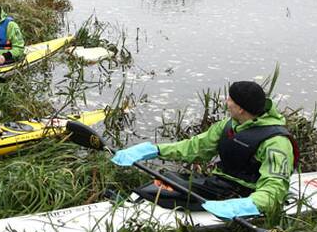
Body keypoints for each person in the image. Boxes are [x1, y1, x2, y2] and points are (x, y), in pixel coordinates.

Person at [110, 80, 296, 217]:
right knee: (164, 178)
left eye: (230, 99)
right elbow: (195, 147)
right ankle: (135, 200)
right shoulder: (230, 125)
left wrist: (246, 206)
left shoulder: (276, 142)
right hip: (219, 184)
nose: (226, 101)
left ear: (241, 109)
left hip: (245, 196)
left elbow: (275, 188)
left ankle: (133, 207)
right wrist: (155, 149)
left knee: (158, 194)